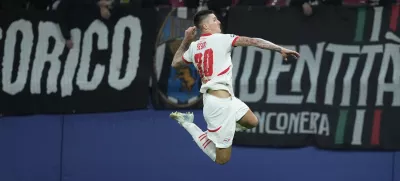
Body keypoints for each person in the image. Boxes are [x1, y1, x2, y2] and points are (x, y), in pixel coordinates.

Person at [169, 10, 300, 165]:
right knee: (222, 159)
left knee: (252, 121)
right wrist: (279, 49)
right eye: (214, 20)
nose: (218, 22)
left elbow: (175, 62)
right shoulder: (222, 39)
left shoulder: (194, 47)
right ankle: (187, 123)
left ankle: (220, 131)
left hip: (226, 99)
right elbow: (254, 41)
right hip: (218, 106)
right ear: (205, 25)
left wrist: (186, 41)